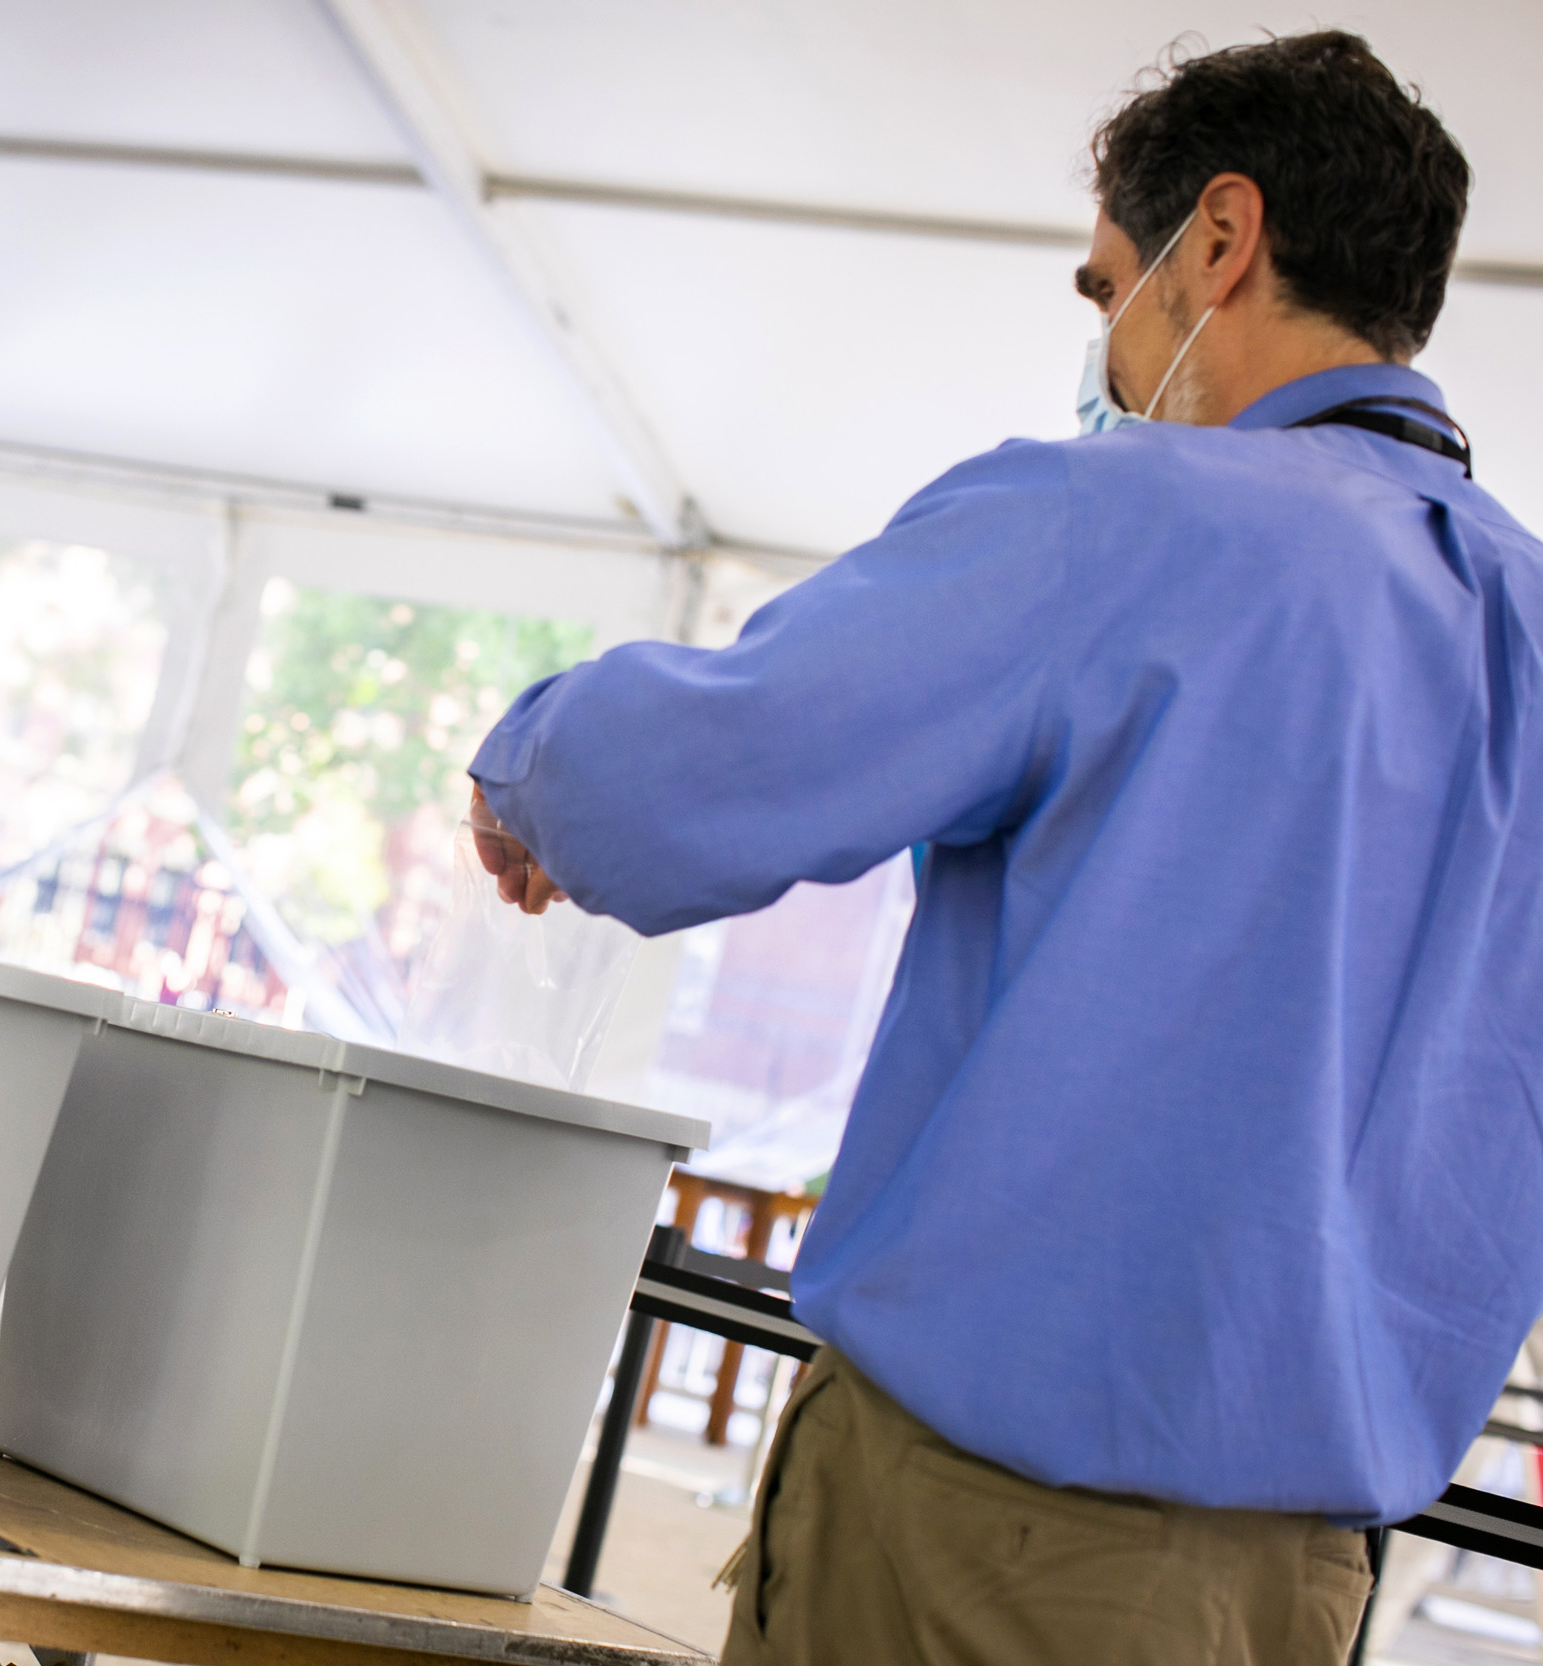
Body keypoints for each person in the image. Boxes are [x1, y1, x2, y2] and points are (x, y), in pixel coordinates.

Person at [468, 32, 1540, 1666]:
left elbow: (680, 773)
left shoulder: (1134, 521)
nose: (1108, 347)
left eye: (1110, 285)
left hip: (989, 1545)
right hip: (1305, 1588)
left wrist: (527, 771)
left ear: (1222, 241)